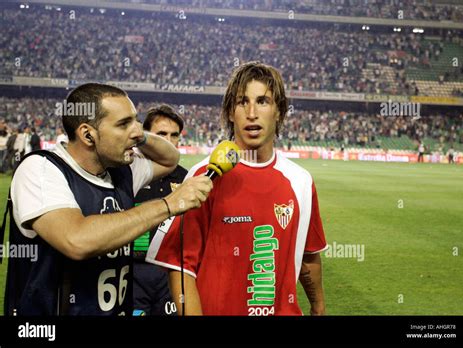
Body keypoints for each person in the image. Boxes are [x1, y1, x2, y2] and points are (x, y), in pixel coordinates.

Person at [4, 83, 212, 316]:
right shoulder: (41, 169)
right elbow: (77, 240)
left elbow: (170, 158)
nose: (135, 131)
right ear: (87, 135)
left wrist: (139, 134)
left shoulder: (121, 172)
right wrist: (168, 204)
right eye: (123, 124)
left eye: (135, 120)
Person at [147, 62, 327, 316]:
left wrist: (318, 306)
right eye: (242, 102)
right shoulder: (205, 176)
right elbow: (179, 266)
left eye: (263, 101)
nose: (252, 112)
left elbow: (309, 255)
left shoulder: (301, 181)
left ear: (279, 112)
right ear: (231, 113)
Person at [133, 104, 188, 316]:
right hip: (135, 272)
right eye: (161, 134)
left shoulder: (187, 178)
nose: (169, 140)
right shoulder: (128, 173)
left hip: (171, 272)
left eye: (174, 135)